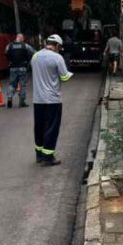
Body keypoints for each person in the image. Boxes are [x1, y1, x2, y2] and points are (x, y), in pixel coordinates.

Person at [30, 34, 73, 166]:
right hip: (53, 100)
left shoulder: (35, 56)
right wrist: (70, 73)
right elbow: (64, 77)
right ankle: (48, 157)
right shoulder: (57, 57)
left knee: (39, 127)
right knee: (51, 127)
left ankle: (39, 155)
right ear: (58, 46)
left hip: (38, 99)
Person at [5, 34, 35, 108]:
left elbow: (6, 53)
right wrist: (29, 60)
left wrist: (11, 60)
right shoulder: (25, 46)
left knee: (12, 84)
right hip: (22, 68)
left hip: (13, 68)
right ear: (21, 38)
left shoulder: (9, 46)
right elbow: (34, 52)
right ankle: (22, 101)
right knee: (23, 85)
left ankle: (9, 97)